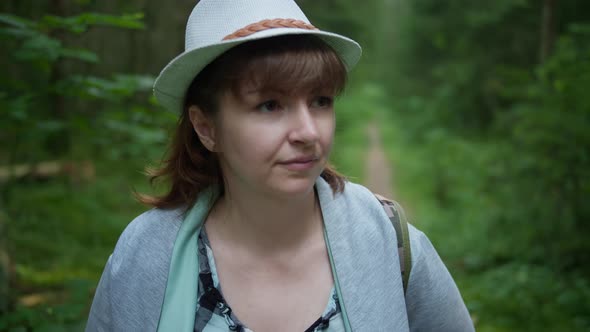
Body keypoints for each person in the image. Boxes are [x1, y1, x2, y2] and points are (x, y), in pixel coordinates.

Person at [86, 0, 475, 331]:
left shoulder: (390, 243)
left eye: (321, 100)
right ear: (206, 128)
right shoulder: (143, 257)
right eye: (270, 105)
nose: (308, 132)